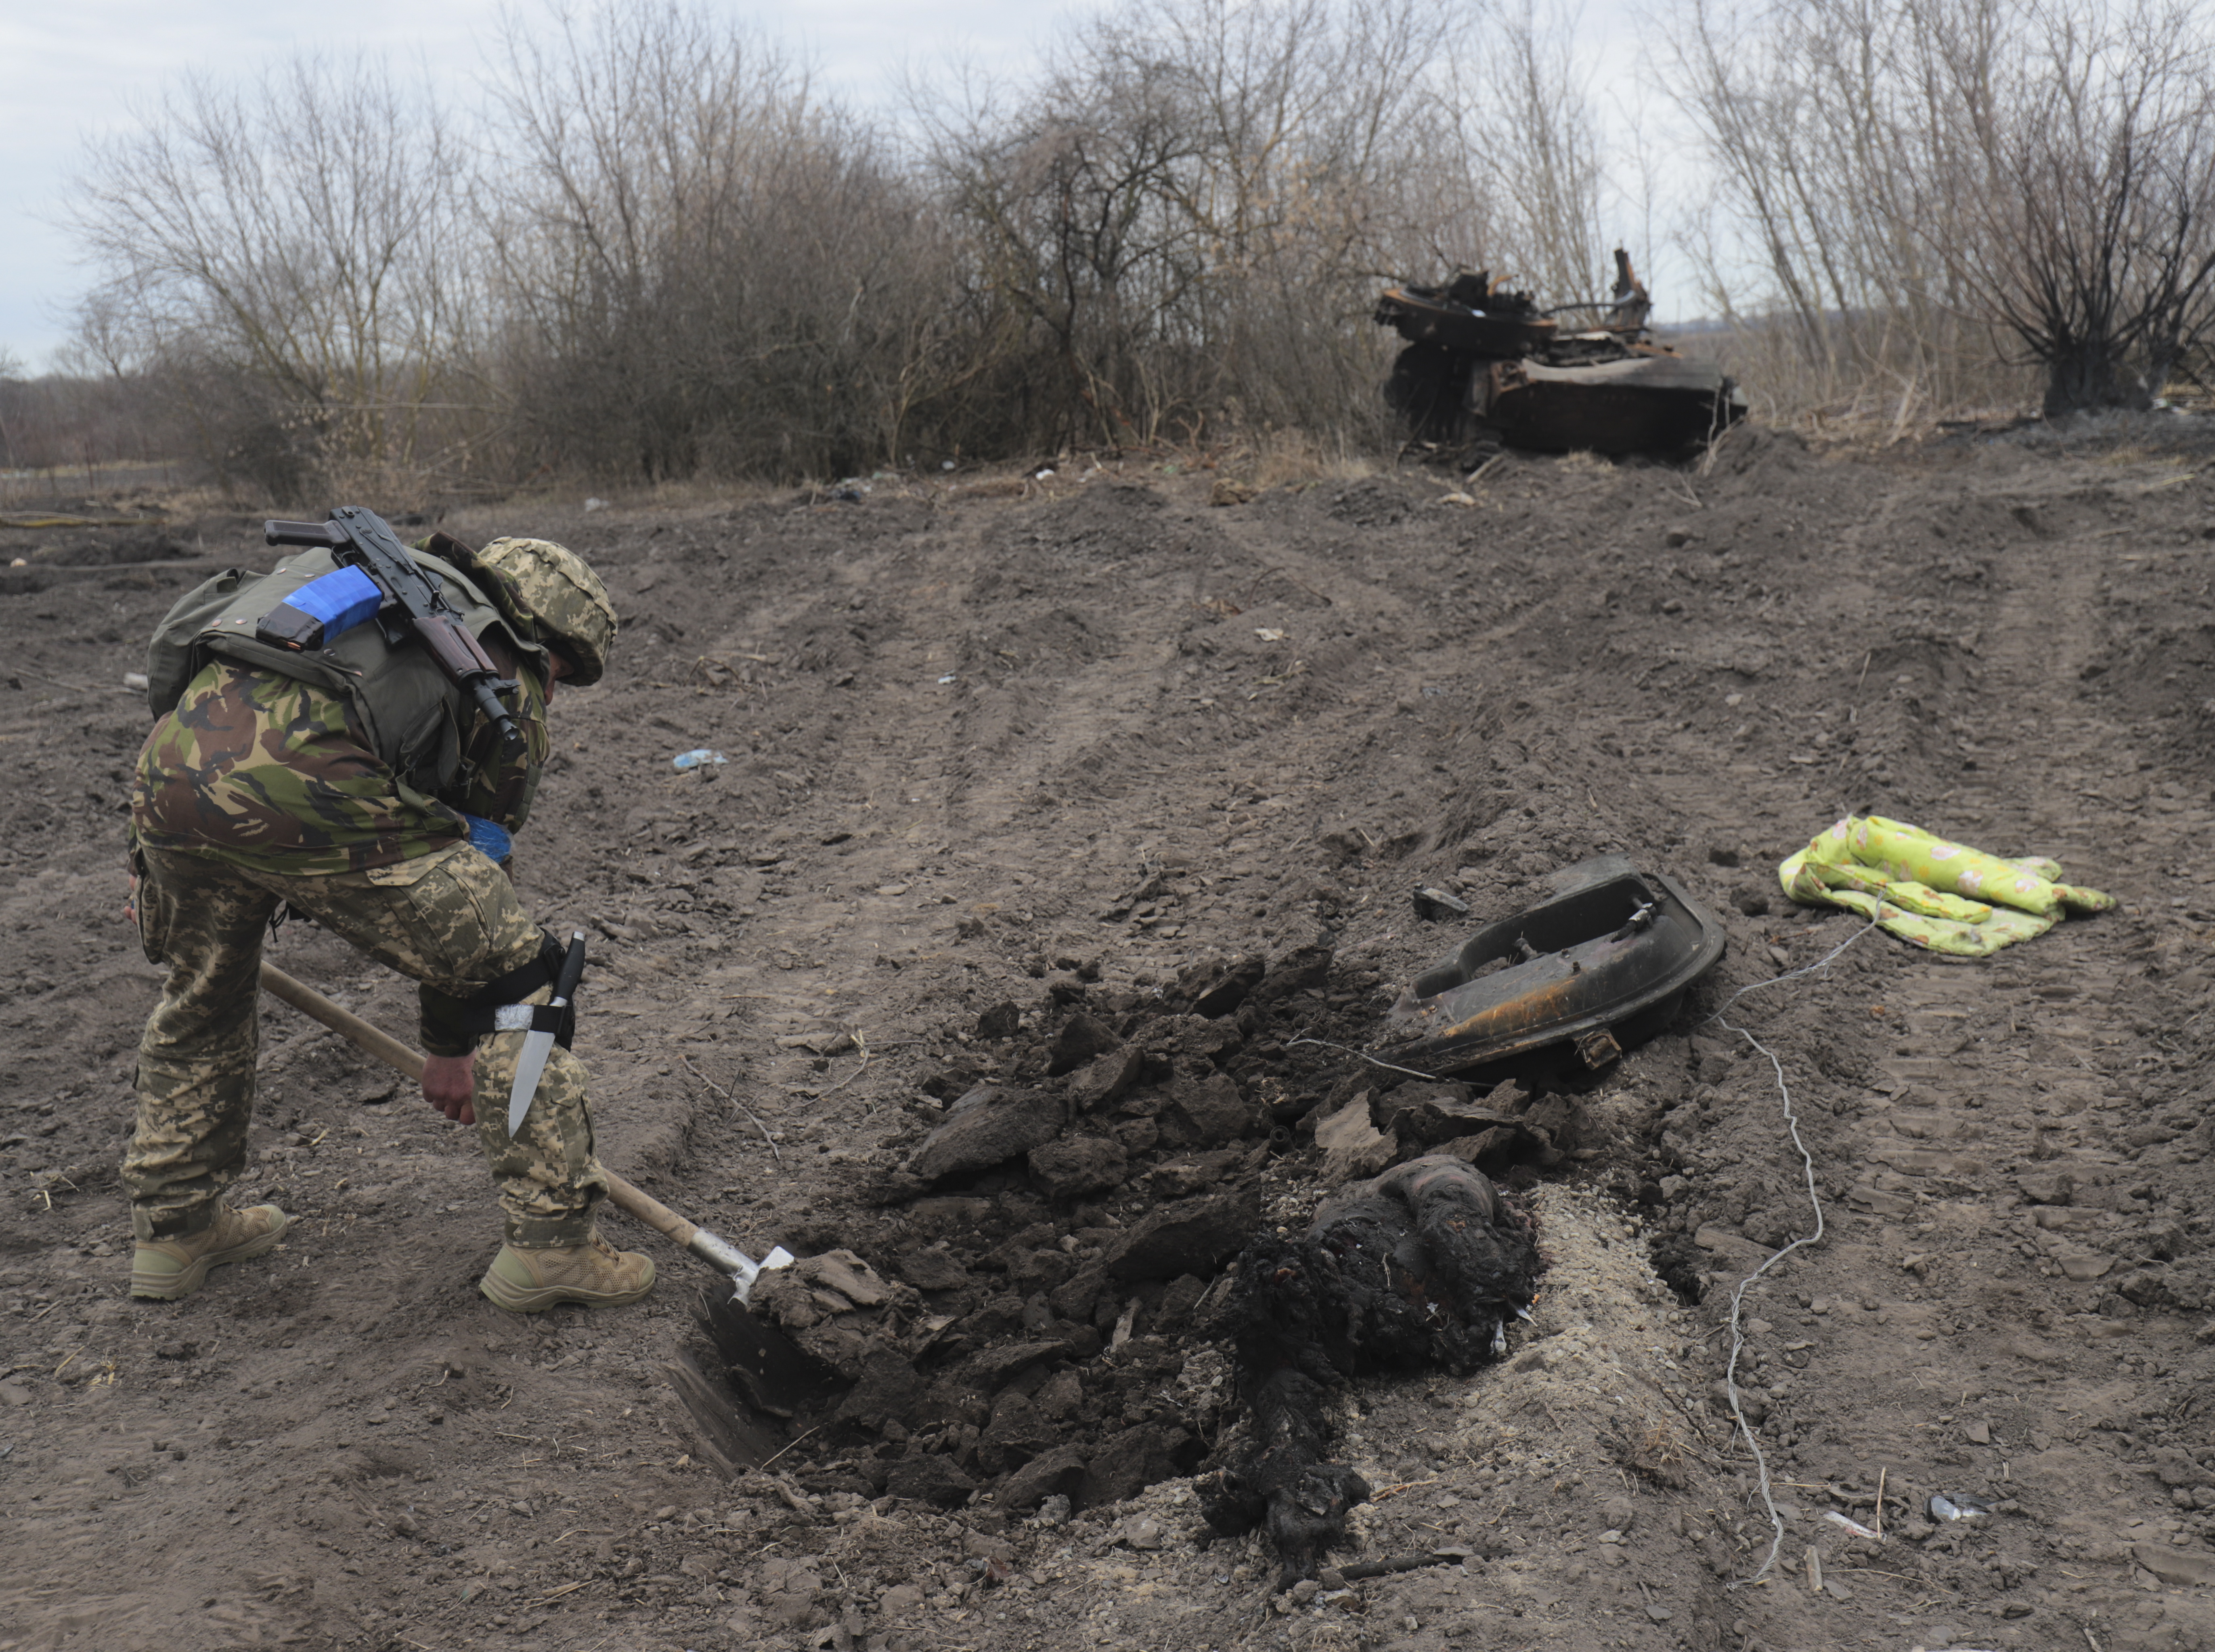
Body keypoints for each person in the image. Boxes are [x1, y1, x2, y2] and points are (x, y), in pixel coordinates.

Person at [121, 527, 654, 1314]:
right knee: (525, 985)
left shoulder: (349, 578)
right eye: (566, 675)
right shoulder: (500, 668)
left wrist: (148, 854)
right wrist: (450, 1045)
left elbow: (186, 661)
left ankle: (174, 1232)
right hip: (313, 799)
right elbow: (480, 864)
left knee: (205, 993)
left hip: (169, 783)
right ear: (558, 652)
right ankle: (552, 1247)